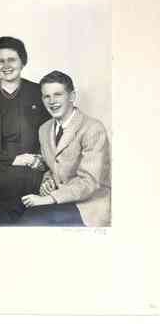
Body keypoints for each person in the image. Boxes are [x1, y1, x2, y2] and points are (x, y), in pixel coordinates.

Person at [0, 36, 50, 225]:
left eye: (12, 60)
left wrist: (39, 159)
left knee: (25, 195)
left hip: (30, 162)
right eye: (0, 61)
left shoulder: (38, 92)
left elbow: (48, 132)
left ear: (23, 61)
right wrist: (12, 159)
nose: (6, 66)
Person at [20, 70, 111, 226]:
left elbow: (90, 181)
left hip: (88, 206)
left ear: (72, 96)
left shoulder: (93, 128)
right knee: (19, 213)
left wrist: (50, 198)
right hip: (61, 199)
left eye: (58, 95)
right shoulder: (44, 129)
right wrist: (48, 181)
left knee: (31, 221)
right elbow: (53, 165)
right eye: (46, 96)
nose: (52, 101)